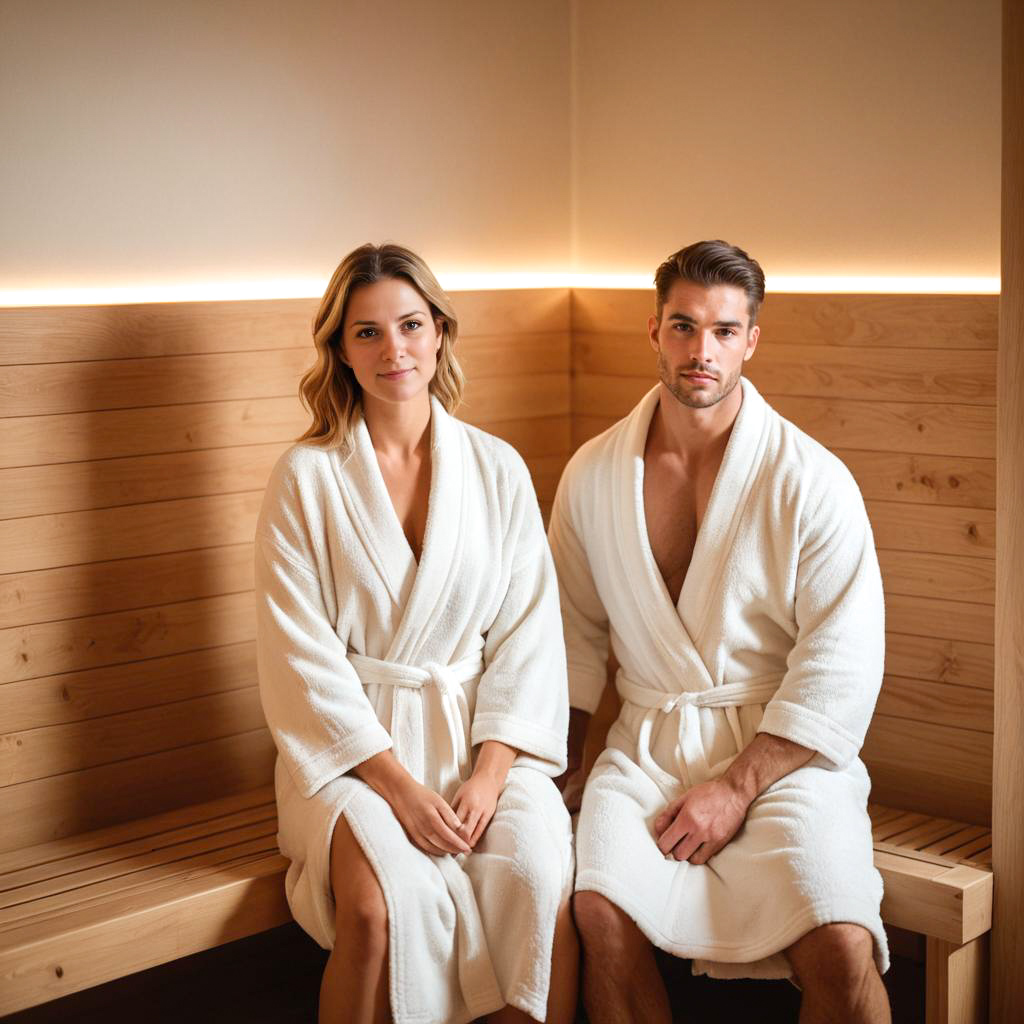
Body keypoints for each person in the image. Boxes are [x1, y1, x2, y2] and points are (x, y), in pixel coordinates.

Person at [548, 240, 891, 1024]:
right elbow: (569, 635)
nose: (702, 350)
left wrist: (736, 789)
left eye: (725, 331)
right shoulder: (594, 474)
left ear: (752, 339)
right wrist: (556, 767)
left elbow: (841, 667)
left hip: (780, 755)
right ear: (655, 331)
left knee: (839, 940)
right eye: (684, 326)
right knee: (599, 913)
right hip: (645, 745)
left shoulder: (811, 480)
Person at [255, 243, 578, 1024]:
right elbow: (301, 661)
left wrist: (492, 775)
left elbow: (527, 637)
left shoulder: (496, 469)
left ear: (439, 332)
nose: (392, 349)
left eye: (409, 325)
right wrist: (398, 789)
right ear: (339, 348)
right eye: (366, 332)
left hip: (480, 744)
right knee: (377, 910)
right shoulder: (307, 478)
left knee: (538, 878)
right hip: (348, 760)